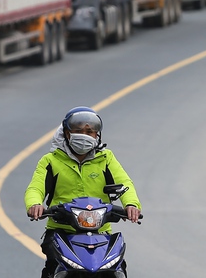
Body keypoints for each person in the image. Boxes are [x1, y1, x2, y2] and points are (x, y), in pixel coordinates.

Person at [25, 106, 141, 278]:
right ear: (66, 133)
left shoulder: (106, 158)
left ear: (97, 135)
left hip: (101, 232)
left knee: (117, 270)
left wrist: (131, 204)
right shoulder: (50, 161)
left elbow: (124, 183)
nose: (84, 135)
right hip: (61, 231)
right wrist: (34, 204)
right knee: (54, 268)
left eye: (89, 132)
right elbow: (36, 187)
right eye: (78, 131)